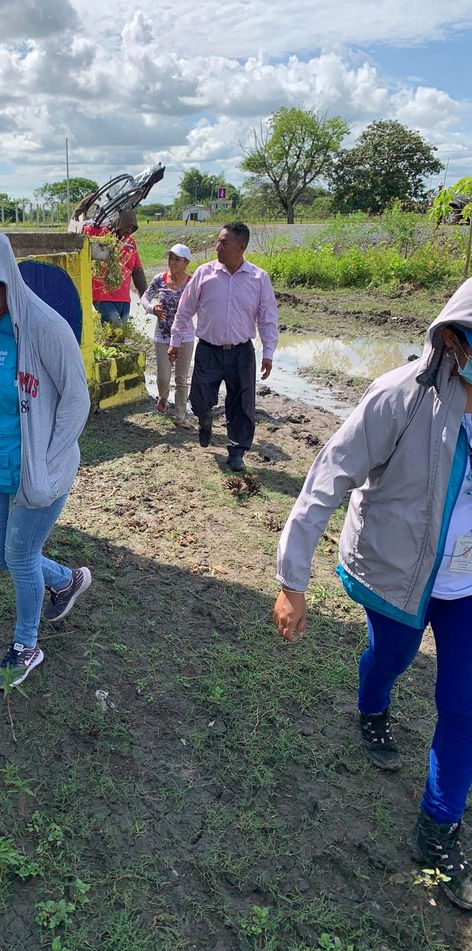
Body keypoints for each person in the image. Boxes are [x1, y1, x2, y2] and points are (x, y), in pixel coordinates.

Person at [273, 279, 472, 911]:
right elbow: (326, 479)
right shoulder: (400, 398)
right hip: (397, 569)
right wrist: (292, 580)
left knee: (464, 703)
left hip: (467, 585)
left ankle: (437, 826)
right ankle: (372, 705)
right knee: (393, 658)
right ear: (456, 342)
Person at [0, 231, 92, 688]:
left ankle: (26, 645)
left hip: (39, 469)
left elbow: (77, 401)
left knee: (19, 553)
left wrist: (47, 466)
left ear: (5, 279)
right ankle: (65, 580)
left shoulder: (45, 327)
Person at [168, 222, 278, 471]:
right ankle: (205, 419)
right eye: (218, 241)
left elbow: (268, 318)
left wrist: (268, 353)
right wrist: (175, 341)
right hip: (208, 350)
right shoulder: (204, 273)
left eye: (224, 243)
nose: (217, 247)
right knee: (199, 397)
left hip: (241, 352)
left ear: (241, 247)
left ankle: (237, 452)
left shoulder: (259, 278)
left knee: (242, 404)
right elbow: (185, 309)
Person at [140, 243, 194, 427]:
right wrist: (151, 308)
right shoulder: (159, 279)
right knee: (163, 377)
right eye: (170, 258)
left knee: (181, 379)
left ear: (186, 262)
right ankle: (163, 397)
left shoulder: (192, 283)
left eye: (177, 259)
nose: (172, 262)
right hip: (162, 336)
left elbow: (202, 304)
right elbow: (145, 297)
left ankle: (180, 417)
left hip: (185, 337)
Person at [84, 210, 147, 327]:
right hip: (103, 298)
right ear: (117, 223)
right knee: (115, 330)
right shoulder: (100, 234)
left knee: (120, 335)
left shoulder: (130, 243)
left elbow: (137, 271)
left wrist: (145, 298)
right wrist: (82, 209)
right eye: (126, 226)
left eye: (132, 227)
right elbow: (79, 232)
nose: (129, 230)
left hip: (124, 299)